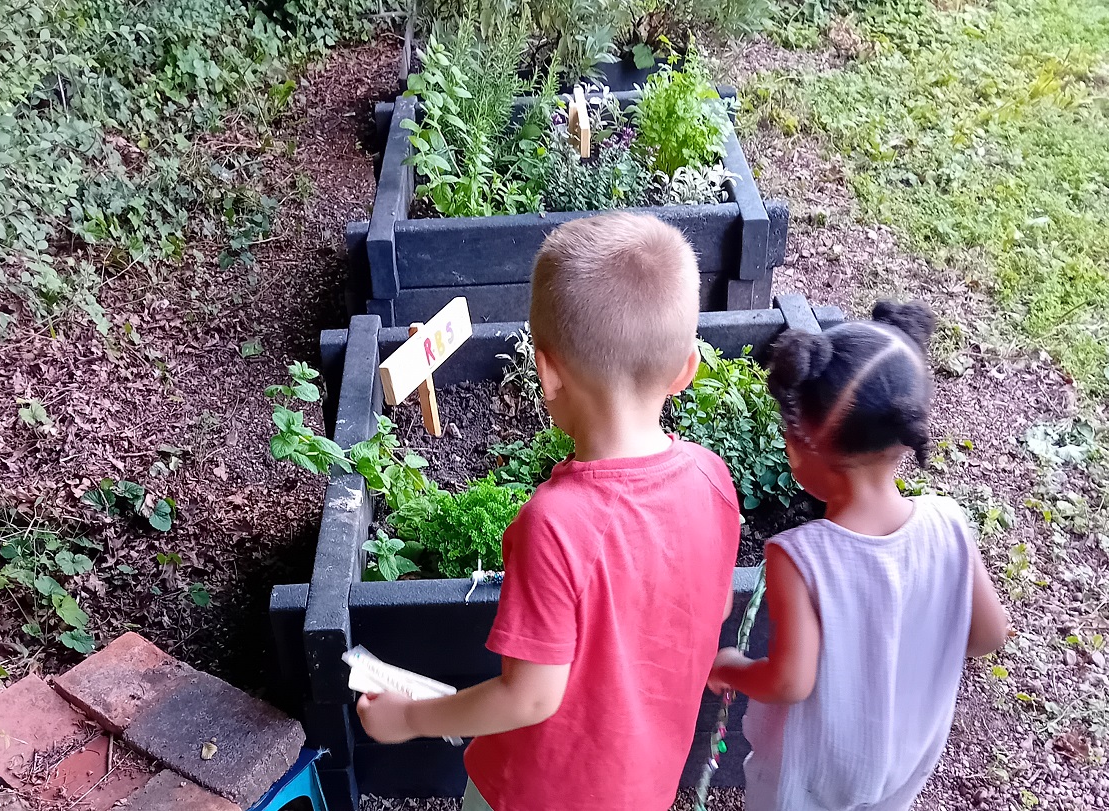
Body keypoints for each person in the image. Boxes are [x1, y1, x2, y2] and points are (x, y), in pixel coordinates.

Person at [356, 212, 741, 811]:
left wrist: (411, 718)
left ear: (547, 371)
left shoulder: (555, 524)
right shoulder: (712, 478)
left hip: (537, 793)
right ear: (687, 369)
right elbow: (712, 609)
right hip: (646, 786)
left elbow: (530, 698)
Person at [707, 300, 1010, 811]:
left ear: (802, 447)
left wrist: (729, 665)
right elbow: (988, 634)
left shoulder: (799, 557)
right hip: (903, 763)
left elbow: (788, 681)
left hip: (810, 777)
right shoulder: (949, 522)